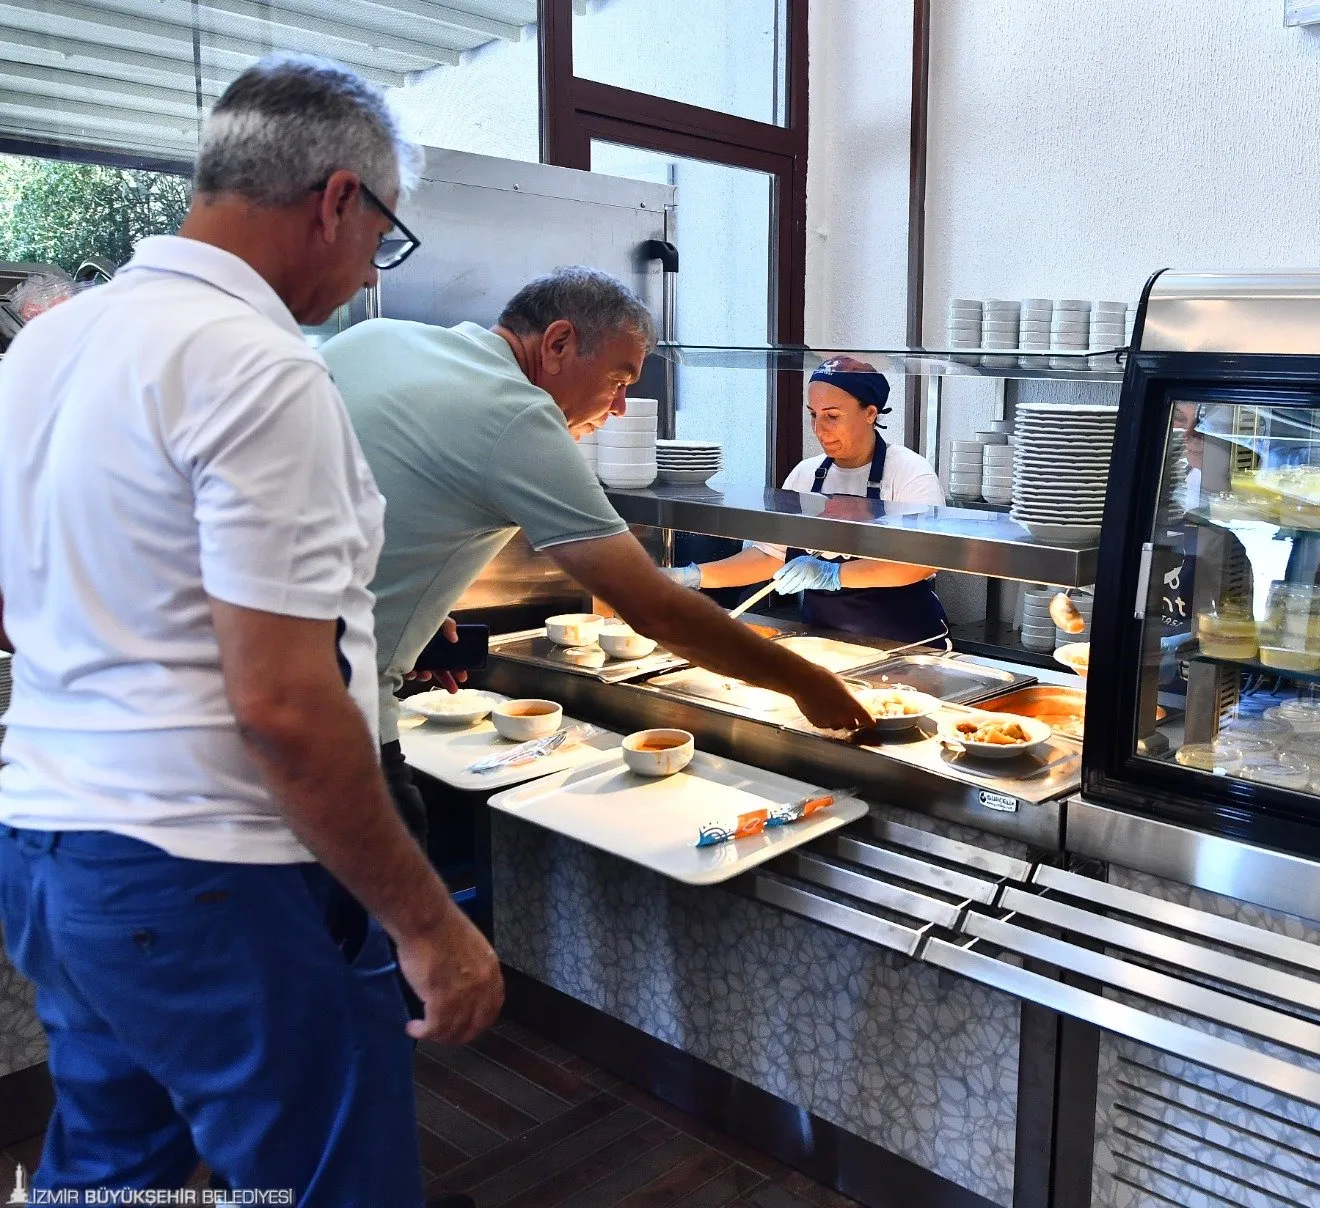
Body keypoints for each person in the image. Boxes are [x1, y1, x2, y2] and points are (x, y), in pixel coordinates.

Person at [0, 56, 500, 1207]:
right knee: (332, 1185)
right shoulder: (263, 368)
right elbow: (281, 702)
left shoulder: (49, 347)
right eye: (385, 234)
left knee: (112, 1172)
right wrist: (430, 925)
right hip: (213, 876)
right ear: (336, 200)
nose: (376, 264)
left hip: (51, 852)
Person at [320, 266, 869, 807]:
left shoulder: (376, 337)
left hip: (251, 674)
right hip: (334, 727)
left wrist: (404, 609)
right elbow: (657, 613)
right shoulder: (517, 416)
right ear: (558, 343)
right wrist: (807, 684)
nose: (620, 407)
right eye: (620, 379)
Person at [669, 357, 950, 643]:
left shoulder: (909, 472)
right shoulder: (806, 475)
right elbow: (770, 557)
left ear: (870, 413)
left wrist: (833, 574)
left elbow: (921, 564)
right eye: (813, 414)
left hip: (907, 644)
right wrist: (691, 577)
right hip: (824, 642)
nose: (818, 428)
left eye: (832, 416)